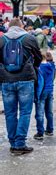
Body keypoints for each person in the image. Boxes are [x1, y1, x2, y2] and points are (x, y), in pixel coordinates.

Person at [0, 18, 42, 155]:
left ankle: (13, 143)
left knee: (10, 113)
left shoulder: (1, 40)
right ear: (21, 26)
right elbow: (38, 57)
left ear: (9, 27)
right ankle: (20, 144)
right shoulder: (29, 38)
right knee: (25, 112)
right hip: (26, 80)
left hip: (6, 80)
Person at [33, 51, 56, 140]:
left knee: (39, 113)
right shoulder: (52, 66)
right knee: (49, 112)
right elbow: (53, 77)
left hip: (41, 92)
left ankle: (40, 132)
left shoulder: (40, 68)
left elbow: (37, 81)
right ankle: (50, 130)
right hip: (50, 90)